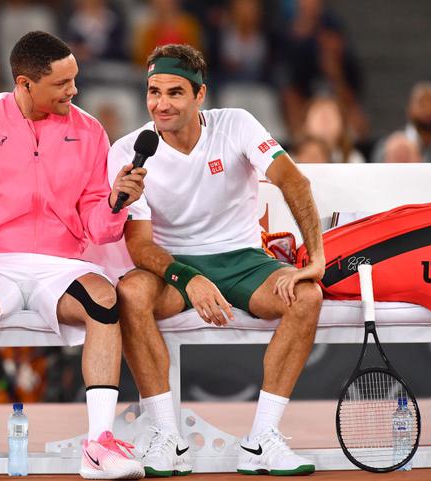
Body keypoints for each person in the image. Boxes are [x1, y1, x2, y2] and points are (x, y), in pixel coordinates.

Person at [0, 31, 147, 481]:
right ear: (25, 84)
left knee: (104, 299)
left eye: (74, 79)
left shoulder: (89, 130)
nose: (74, 91)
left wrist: (116, 203)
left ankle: (99, 445)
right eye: (62, 83)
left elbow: (95, 224)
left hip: (61, 269)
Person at [108, 44, 324, 477]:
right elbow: (141, 248)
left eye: (174, 92)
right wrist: (188, 279)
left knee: (308, 296)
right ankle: (167, 437)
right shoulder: (130, 151)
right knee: (130, 292)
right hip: (173, 267)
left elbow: (293, 182)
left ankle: (262, 440)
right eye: (153, 92)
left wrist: (315, 257)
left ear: (200, 95)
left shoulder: (237, 124)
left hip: (245, 260)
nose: (161, 104)